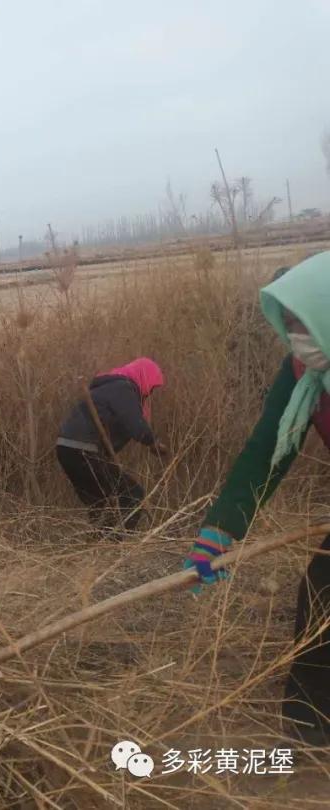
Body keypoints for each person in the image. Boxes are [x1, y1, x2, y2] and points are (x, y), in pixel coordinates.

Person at [183, 251, 330, 745]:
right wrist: (221, 529)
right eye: (288, 327)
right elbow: (266, 451)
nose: (297, 340)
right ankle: (313, 722)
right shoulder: (303, 374)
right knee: (321, 592)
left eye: (304, 324)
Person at [56, 358, 167, 532]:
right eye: (152, 387)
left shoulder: (109, 388)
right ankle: (117, 545)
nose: (150, 393)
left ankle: (99, 544)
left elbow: (114, 428)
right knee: (133, 494)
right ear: (145, 379)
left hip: (66, 449)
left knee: (101, 502)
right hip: (84, 450)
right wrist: (152, 441)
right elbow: (134, 422)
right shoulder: (123, 388)